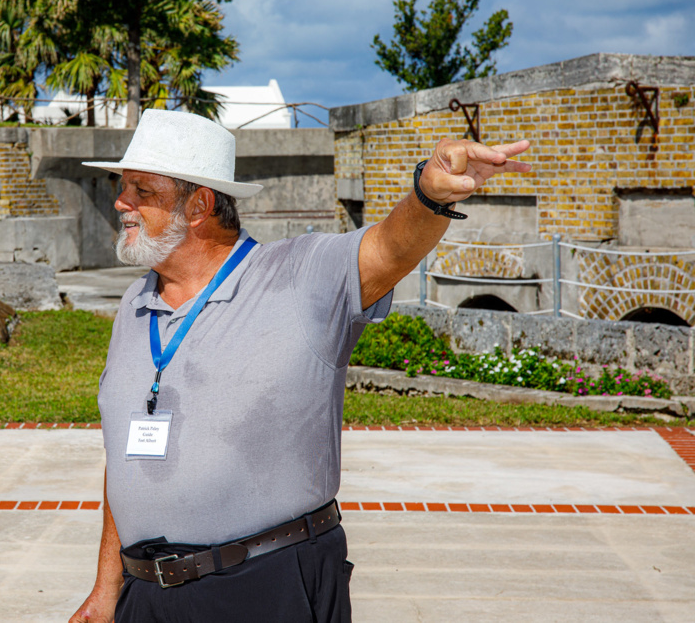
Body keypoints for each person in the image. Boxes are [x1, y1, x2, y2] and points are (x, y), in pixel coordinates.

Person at [69, 109, 530, 623]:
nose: (121, 202)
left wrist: (429, 196)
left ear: (199, 205)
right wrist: (106, 588)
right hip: (145, 595)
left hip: (267, 588)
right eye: (124, 186)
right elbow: (126, 459)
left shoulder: (298, 276)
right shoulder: (134, 304)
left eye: (142, 190)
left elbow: (389, 247)